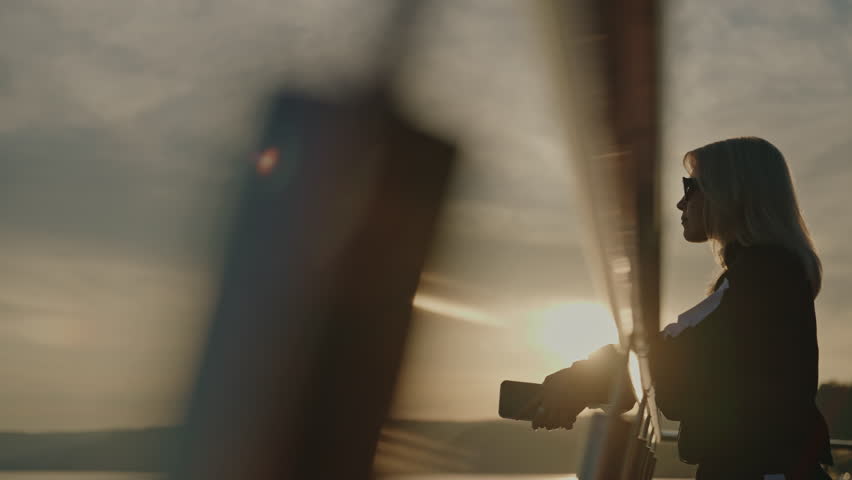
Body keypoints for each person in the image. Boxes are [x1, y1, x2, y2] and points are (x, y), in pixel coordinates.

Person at [532, 137, 834, 479]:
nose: (680, 203)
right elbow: (685, 360)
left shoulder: (766, 276)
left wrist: (583, 379)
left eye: (691, 188)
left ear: (731, 191)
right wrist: (588, 381)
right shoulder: (762, 276)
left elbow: (676, 357)